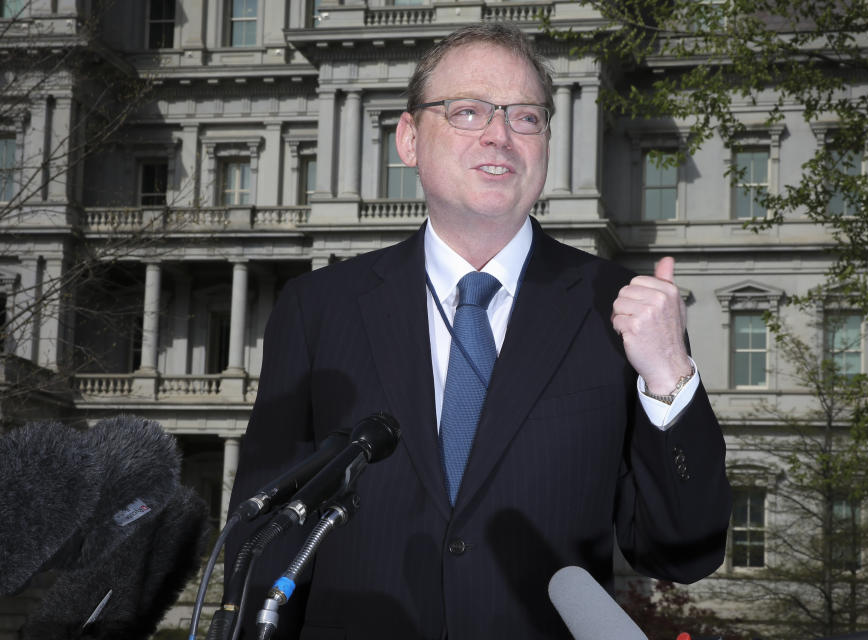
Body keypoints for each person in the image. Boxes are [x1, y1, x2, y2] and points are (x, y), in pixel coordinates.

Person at [227, 23, 731, 640]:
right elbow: (263, 539)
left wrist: (669, 376)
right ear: (408, 138)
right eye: (467, 111)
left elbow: (685, 552)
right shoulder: (319, 307)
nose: (500, 135)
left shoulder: (620, 309)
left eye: (526, 117)